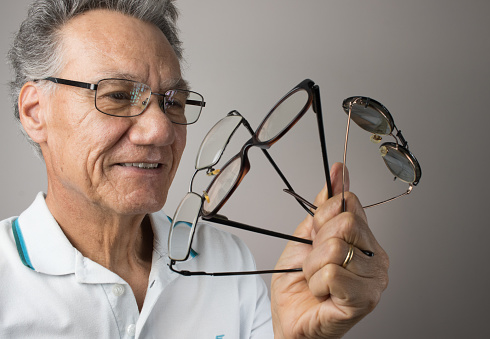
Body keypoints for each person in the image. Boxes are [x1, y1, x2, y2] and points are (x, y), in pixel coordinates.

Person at [0, 0, 389, 338]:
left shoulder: (227, 261)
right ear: (36, 112)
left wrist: (293, 336)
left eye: (174, 102)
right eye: (118, 95)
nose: (161, 130)